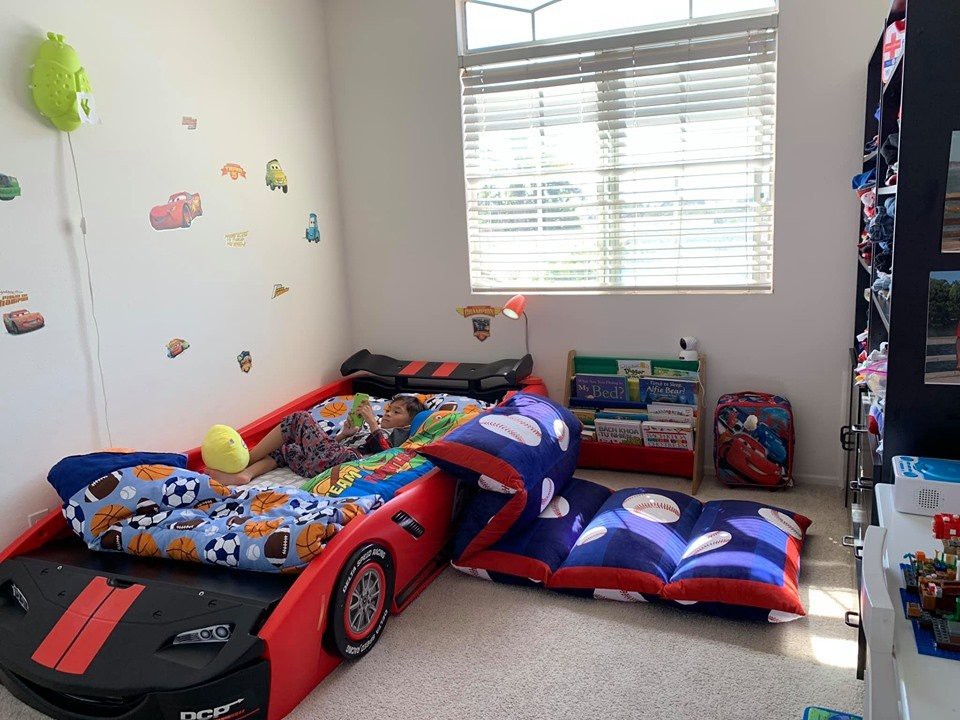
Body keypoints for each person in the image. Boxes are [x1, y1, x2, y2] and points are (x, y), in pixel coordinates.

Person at [208, 394, 425, 486]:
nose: (387, 414)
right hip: (325, 464)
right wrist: (344, 435)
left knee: (299, 419)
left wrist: (372, 423)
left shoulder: (401, 435)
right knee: (287, 447)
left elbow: (385, 455)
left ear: (410, 422)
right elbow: (327, 451)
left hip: (348, 465)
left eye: (396, 412)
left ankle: (246, 459)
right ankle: (245, 475)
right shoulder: (368, 431)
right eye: (388, 410)